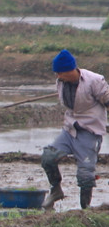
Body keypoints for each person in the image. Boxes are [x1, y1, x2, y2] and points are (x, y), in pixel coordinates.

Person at [43, 49, 109, 210]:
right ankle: (56, 190)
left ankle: (84, 210)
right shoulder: (61, 82)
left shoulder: (94, 81)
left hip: (90, 131)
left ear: (71, 69)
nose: (58, 76)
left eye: (60, 72)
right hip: (70, 129)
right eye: (56, 73)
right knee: (48, 157)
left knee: (85, 175)